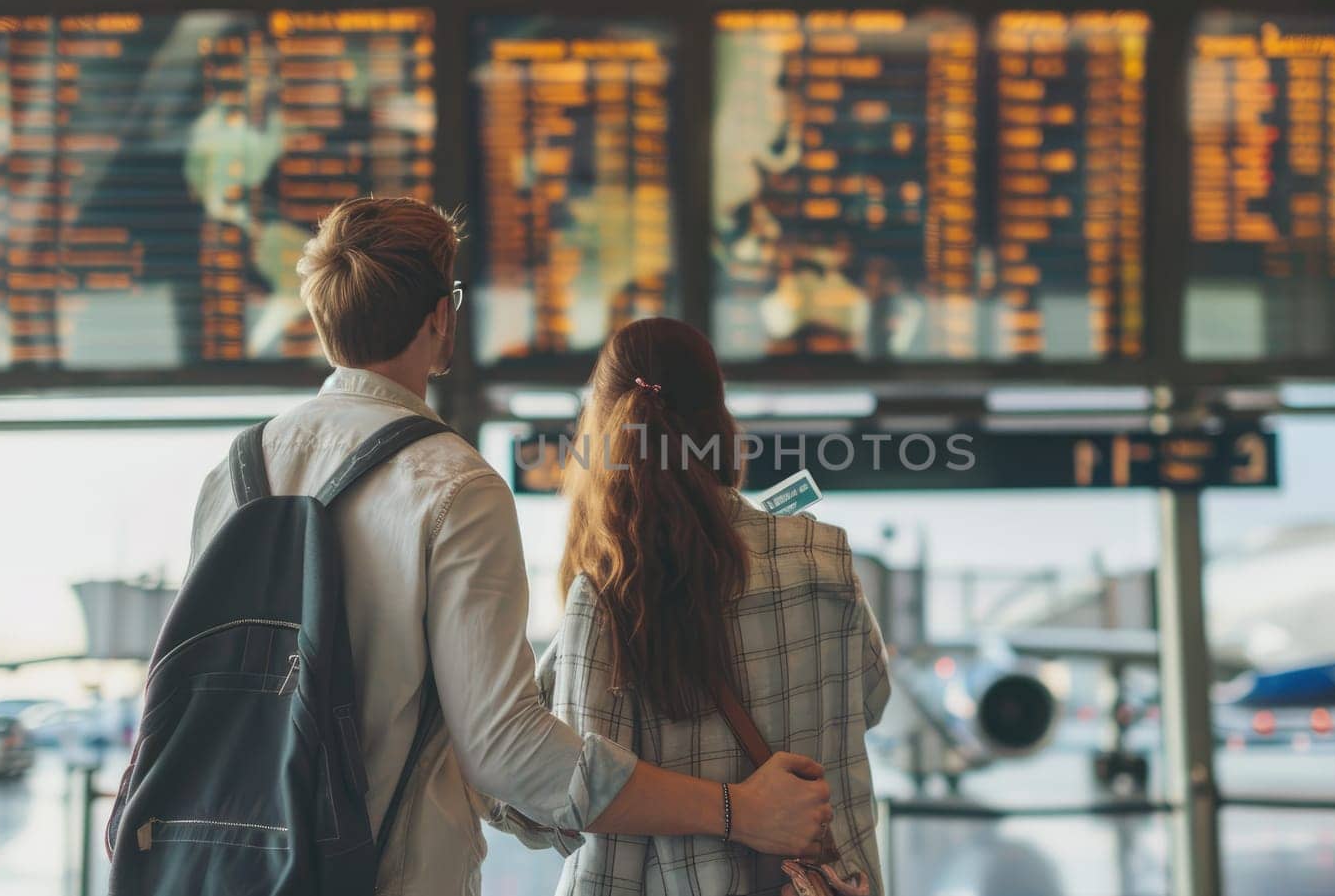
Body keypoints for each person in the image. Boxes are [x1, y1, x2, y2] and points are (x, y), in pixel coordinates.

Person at [186, 198, 833, 896]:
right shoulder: (453, 484)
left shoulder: (238, 471)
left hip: (225, 868)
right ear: (440, 317)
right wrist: (736, 809)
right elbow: (505, 750)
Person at [528, 317, 890, 895]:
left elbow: (576, 800)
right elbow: (869, 703)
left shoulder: (609, 595)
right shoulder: (826, 557)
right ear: (721, 422)